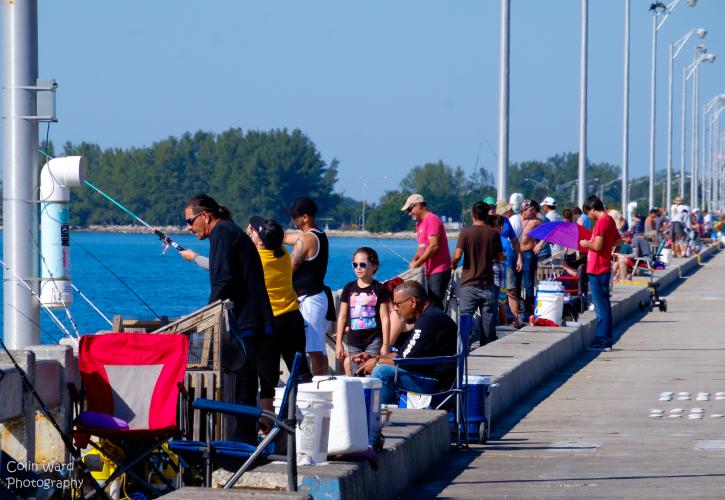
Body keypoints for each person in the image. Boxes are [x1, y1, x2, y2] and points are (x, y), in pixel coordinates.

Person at [181, 194, 274, 444]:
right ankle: (243, 439)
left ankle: (242, 444)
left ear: (206, 216)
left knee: (244, 383)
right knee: (245, 383)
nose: (188, 227)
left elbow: (223, 280)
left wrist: (205, 318)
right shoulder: (229, 231)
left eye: (190, 221)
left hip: (247, 321)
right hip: (254, 318)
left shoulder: (222, 233)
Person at [246, 216, 312, 428]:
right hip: (292, 319)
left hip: (270, 324)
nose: (249, 232)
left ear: (262, 241)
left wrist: (194, 257)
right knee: (301, 373)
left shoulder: (256, 260)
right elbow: (286, 239)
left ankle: (266, 429)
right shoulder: (282, 253)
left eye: (253, 231)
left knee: (267, 382)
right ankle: (309, 420)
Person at [352, 281, 457, 405]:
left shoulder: (428, 320)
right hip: (433, 376)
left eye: (398, 304)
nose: (396, 309)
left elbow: (404, 360)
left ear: (412, 301)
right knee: (381, 367)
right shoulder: (430, 314)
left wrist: (376, 363)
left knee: (382, 372)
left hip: (437, 384)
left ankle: (385, 419)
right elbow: (403, 353)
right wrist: (375, 358)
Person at [284, 197, 334, 376]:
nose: (292, 220)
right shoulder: (317, 234)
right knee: (318, 345)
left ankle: (319, 385)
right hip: (316, 296)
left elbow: (290, 267)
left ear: (305, 218)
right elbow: (285, 237)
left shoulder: (307, 240)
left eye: (294, 217)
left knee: (314, 348)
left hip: (310, 298)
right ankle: (322, 381)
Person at [450, 202, 504, 346]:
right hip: (488, 285)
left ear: (473, 215)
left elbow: (457, 255)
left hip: (469, 284)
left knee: (465, 320)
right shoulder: (493, 234)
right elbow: (500, 258)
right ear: (487, 215)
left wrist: (453, 264)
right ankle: (486, 349)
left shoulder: (465, 232)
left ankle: (463, 352)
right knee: (488, 326)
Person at [335, 247, 391, 375]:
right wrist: (339, 343)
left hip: (374, 339)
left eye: (362, 264)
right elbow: (342, 317)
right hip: (354, 341)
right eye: (355, 265)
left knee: (372, 372)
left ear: (374, 266)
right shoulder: (348, 288)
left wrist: (385, 344)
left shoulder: (379, 288)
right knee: (357, 374)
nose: (358, 268)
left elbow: (385, 318)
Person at [580, 195, 620, 351]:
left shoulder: (601, 222)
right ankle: (607, 339)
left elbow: (596, 246)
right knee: (605, 305)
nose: (588, 216)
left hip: (596, 267)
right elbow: (619, 240)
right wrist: (607, 247)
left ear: (592, 209)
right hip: (604, 266)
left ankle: (602, 341)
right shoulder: (610, 220)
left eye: (588, 212)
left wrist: (586, 243)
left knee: (600, 307)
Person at [401, 194, 452, 310]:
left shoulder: (432, 219)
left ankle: (439, 327)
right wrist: (415, 259)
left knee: (434, 303)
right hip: (428, 270)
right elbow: (421, 247)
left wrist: (418, 263)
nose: (409, 213)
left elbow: (434, 246)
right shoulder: (419, 224)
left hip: (439, 270)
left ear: (418, 205)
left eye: (410, 209)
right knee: (427, 303)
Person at [518, 199, 544, 321]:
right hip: (517, 254)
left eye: (534, 209)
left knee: (528, 283)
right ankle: (518, 309)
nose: (534, 212)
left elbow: (548, 232)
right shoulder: (517, 219)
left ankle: (529, 311)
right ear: (524, 210)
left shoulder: (536, 221)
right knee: (517, 282)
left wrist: (540, 244)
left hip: (528, 254)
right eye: (531, 210)